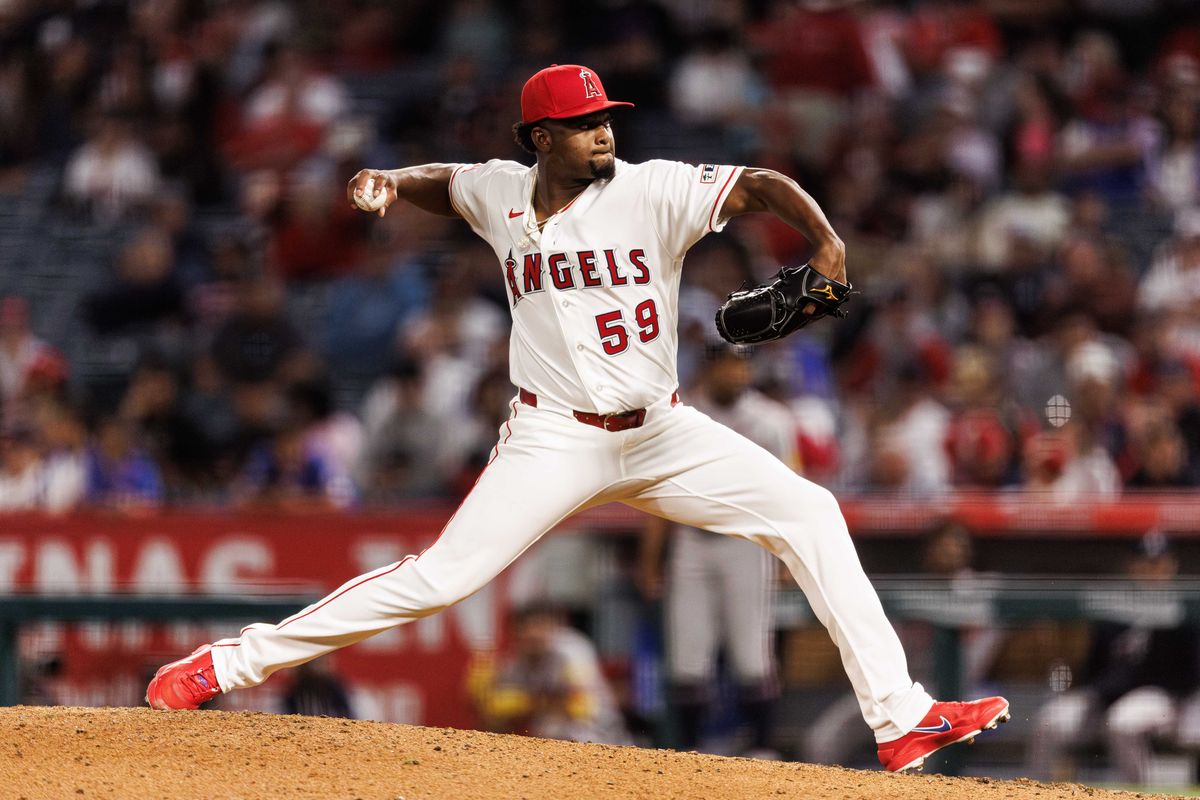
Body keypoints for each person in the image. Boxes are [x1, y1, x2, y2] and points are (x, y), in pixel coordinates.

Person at [146, 63, 1008, 772]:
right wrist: (389, 182)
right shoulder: (501, 192)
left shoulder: (652, 189)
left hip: (662, 432)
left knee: (811, 512)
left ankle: (901, 718)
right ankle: (224, 664)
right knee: (439, 580)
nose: (603, 132)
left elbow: (760, 184)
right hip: (552, 437)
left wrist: (826, 244)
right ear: (540, 138)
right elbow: (445, 184)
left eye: (605, 119)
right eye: (584, 123)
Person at [638, 344, 794, 757]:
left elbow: (788, 492)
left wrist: (786, 554)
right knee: (687, 656)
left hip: (746, 542)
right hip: (691, 540)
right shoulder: (680, 415)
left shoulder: (771, 421)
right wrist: (651, 560)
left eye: (741, 365)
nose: (736, 373)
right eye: (727, 364)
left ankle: (763, 748)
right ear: (710, 367)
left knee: (752, 654)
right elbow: (659, 491)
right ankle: (690, 748)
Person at [1028, 531, 1200, 783]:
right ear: (1132, 565)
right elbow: (1093, 666)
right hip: (1103, 698)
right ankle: (1035, 790)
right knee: (1049, 722)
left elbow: (1190, 676)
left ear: (1172, 565)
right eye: (1145, 562)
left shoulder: (1185, 609)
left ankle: (1142, 795)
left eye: (1158, 563)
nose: (1152, 570)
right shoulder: (1114, 608)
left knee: (1122, 723)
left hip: (1160, 699)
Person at [467, 603, 629, 745]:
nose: (534, 634)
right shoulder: (517, 663)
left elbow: (576, 703)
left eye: (540, 627)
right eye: (526, 628)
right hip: (552, 746)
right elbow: (491, 713)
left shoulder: (571, 649)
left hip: (599, 737)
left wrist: (526, 702)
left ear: (553, 628)